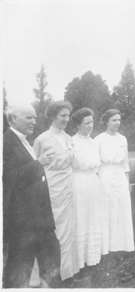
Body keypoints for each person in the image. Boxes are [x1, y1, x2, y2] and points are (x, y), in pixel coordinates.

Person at [3, 105, 61, 288]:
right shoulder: (6, 142)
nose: (33, 122)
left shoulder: (25, 141)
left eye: (34, 118)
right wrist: (39, 163)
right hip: (23, 221)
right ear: (12, 119)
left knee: (50, 259)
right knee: (19, 268)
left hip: (40, 218)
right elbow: (9, 177)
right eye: (28, 118)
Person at [33, 101, 79, 281]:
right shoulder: (42, 139)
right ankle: (50, 273)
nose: (66, 119)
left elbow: (73, 162)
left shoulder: (68, 138)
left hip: (68, 186)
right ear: (53, 116)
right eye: (62, 116)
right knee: (54, 229)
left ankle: (68, 272)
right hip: (51, 189)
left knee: (68, 229)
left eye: (68, 116)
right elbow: (34, 166)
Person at [70, 108, 109, 274]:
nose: (90, 126)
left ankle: (92, 257)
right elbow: (76, 163)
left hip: (93, 182)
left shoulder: (94, 142)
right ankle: (79, 259)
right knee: (81, 217)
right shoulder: (72, 142)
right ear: (78, 125)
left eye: (92, 122)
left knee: (93, 216)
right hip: (78, 183)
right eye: (86, 123)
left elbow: (97, 164)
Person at [95, 109, 135, 253]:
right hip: (105, 176)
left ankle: (122, 246)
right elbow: (96, 164)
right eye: (114, 120)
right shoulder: (99, 139)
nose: (117, 123)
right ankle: (106, 247)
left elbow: (125, 164)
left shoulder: (123, 139)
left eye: (119, 120)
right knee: (107, 209)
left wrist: (128, 180)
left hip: (120, 177)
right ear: (107, 122)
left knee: (121, 209)